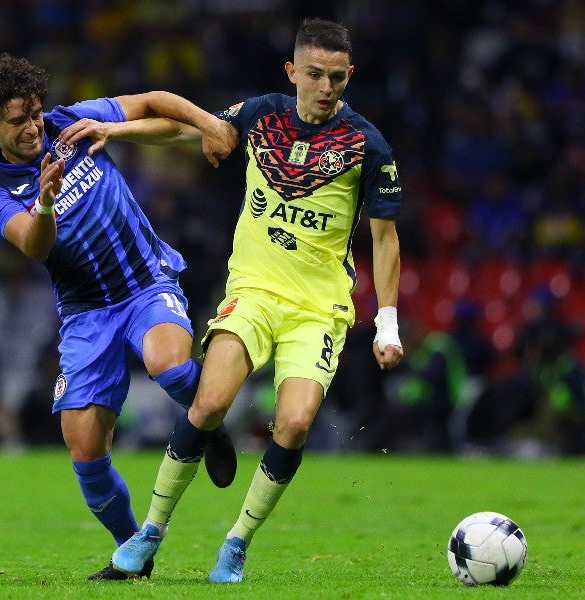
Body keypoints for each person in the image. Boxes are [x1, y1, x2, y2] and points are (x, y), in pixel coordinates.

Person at [62, 18, 405, 582]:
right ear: (293, 71)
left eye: (337, 78)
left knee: (293, 424)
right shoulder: (261, 115)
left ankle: (237, 543)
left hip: (318, 311)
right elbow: (184, 132)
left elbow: (385, 239)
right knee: (208, 404)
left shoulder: (368, 146)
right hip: (251, 294)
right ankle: (149, 534)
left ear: (350, 76)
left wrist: (387, 325)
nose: (325, 88)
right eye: (315, 75)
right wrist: (115, 134)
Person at [0, 53, 239, 580]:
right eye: (17, 120)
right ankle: (134, 552)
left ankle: (211, 426)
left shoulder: (72, 123)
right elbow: (34, 247)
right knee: (86, 452)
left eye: (34, 113)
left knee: (170, 366)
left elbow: (155, 100)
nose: (31, 127)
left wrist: (209, 125)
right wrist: (44, 201)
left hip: (144, 282)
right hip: (87, 313)